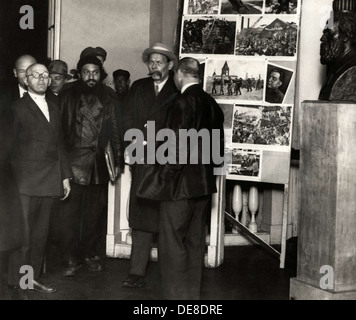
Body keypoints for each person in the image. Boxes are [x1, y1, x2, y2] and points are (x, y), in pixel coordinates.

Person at [136, 57, 224, 299]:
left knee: (172, 246)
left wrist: (161, 180)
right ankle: (191, 299)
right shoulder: (210, 102)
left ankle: (175, 300)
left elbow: (176, 150)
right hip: (202, 188)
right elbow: (216, 149)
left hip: (178, 189)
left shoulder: (182, 102)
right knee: (195, 245)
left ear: (179, 75)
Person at [8, 63, 72, 295]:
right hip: (24, 181)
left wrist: (65, 176)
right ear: (26, 80)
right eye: (36, 76)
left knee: (40, 235)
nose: (42, 80)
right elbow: (7, 146)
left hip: (49, 180)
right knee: (23, 235)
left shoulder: (55, 107)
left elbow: (60, 145)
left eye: (46, 76)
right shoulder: (17, 108)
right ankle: (19, 282)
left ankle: (32, 279)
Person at [58, 56, 125, 276]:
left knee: (93, 216)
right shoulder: (67, 95)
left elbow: (116, 129)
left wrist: (118, 159)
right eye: (86, 72)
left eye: (95, 72)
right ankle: (69, 259)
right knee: (69, 216)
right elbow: (58, 133)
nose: (90, 76)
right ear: (79, 73)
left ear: (101, 73)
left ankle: (86, 254)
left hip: (98, 164)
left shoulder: (110, 96)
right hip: (73, 163)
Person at [123, 43, 178, 288]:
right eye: (151, 62)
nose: (154, 67)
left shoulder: (178, 90)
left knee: (167, 218)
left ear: (170, 65)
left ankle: (170, 272)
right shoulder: (138, 87)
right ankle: (136, 271)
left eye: (159, 62)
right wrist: (132, 144)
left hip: (168, 164)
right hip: (143, 161)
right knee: (142, 216)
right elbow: (128, 119)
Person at [319, 2, 356, 101]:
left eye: (330, 33)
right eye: (324, 33)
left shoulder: (352, 71)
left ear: (346, 36)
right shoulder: (335, 67)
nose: (322, 39)